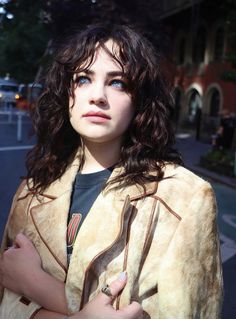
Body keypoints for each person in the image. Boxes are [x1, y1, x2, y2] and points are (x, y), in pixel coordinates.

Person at [0, 24, 223, 319]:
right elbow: (6, 303)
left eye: (117, 82)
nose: (97, 96)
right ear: (67, 94)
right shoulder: (32, 191)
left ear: (139, 101)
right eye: (82, 79)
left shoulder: (186, 198)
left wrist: (36, 285)